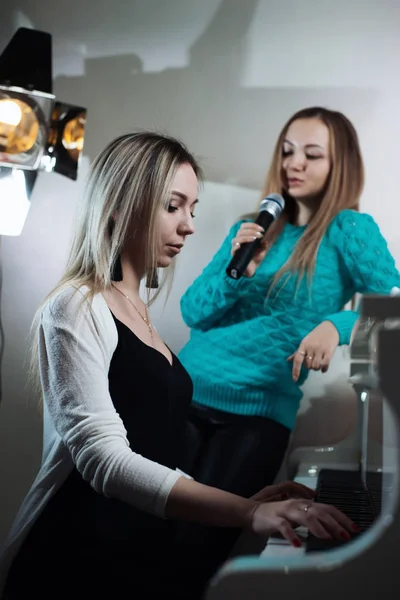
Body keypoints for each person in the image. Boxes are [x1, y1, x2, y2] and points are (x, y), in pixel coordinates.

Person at [0, 131, 356, 599]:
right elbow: (105, 461)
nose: (188, 225)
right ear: (121, 203)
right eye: (174, 206)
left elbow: (153, 455)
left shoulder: (139, 312)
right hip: (73, 559)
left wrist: (243, 503)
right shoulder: (76, 306)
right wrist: (244, 513)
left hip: (132, 554)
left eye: (193, 209)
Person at [175, 106, 400, 588]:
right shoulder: (252, 226)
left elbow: (392, 304)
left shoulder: (349, 230)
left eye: (312, 154)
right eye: (287, 151)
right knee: (145, 533)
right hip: (185, 393)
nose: (293, 164)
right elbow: (193, 312)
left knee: (196, 554)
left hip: (255, 419)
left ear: (340, 164)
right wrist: (239, 274)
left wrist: (333, 325)